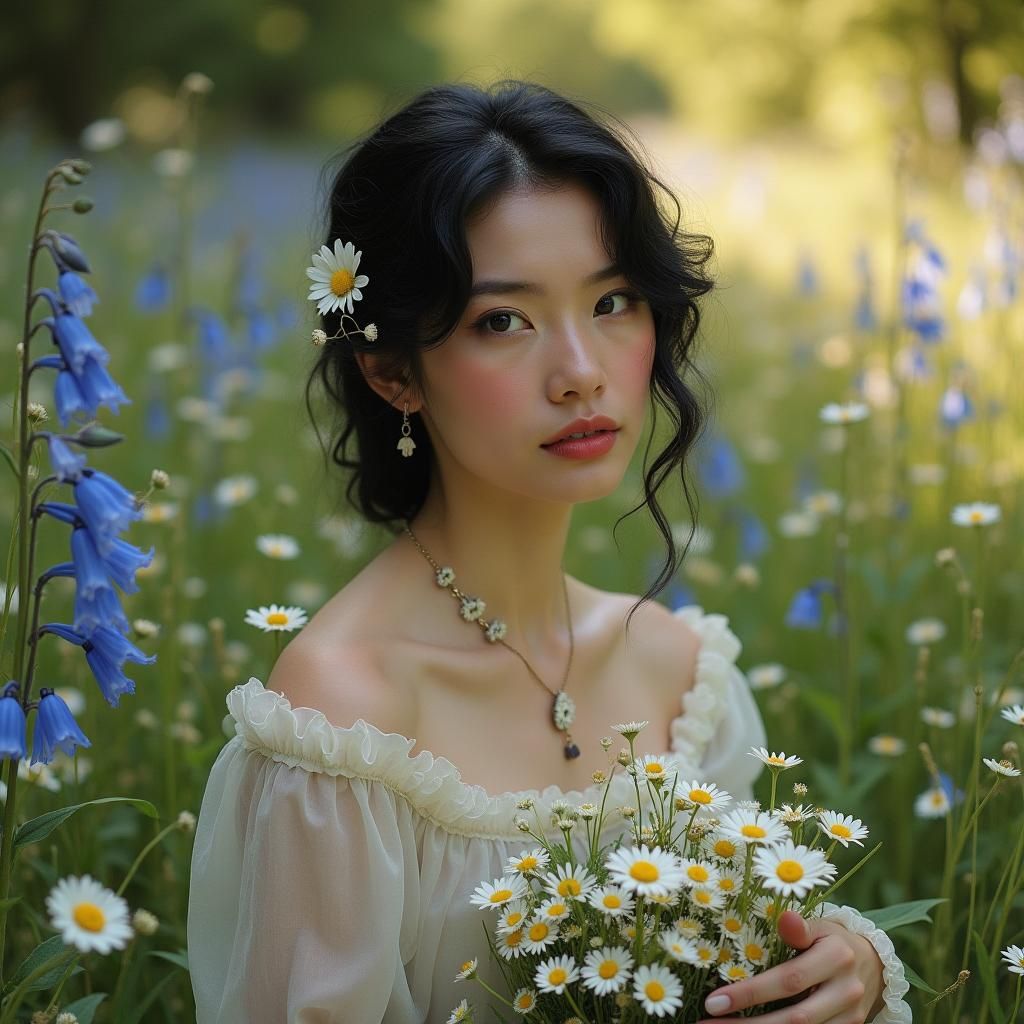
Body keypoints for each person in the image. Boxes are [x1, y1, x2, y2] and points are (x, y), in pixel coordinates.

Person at [187, 80, 912, 1023]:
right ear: (391, 369)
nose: (581, 372)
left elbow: (744, 957)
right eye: (505, 320)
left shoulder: (683, 674)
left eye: (613, 301)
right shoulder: (343, 721)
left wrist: (837, 968)